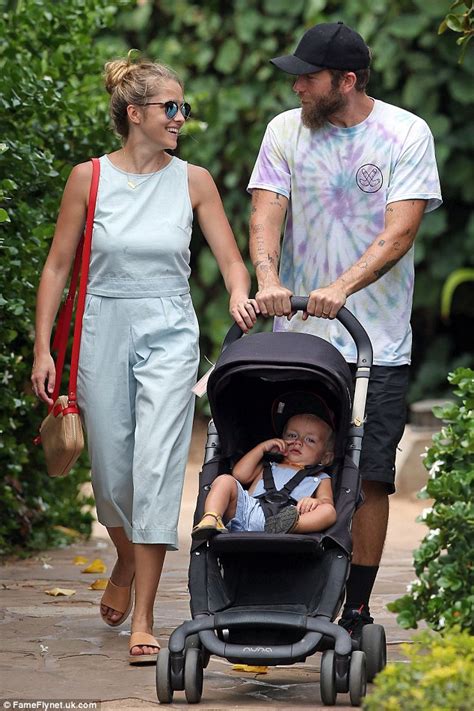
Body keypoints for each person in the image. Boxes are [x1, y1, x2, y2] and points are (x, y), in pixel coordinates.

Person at [31, 54, 258, 663]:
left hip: (169, 329)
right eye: (171, 108)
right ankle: (127, 559)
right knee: (111, 476)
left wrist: (240, 292)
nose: (181, 117)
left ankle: (147, 619)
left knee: (156, 471)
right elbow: (56, 267)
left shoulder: (194, 180)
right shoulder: (88, 178)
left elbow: (232, 261)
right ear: (135, 114)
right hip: (102, 326)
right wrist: (42, 347)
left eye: (182, 107)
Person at [247, 21, 442, 644]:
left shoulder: (405, 133)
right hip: (298, 340)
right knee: (278, 462)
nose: (298, 85)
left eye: (309, 76)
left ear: (347, 81)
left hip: (374, 340)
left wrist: (343, 287)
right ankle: (269, 584)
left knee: (372, 475)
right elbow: (266, 210)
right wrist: (270, 278)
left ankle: (355, 608)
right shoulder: (284, 130)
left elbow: (401, 230)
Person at [192, 399, 336, 539]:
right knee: (225, 480)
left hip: (293, 513)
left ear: (325, 457)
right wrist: (262, 448)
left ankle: (293, 525)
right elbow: (239, 475)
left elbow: (327, 501)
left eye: (310, 440)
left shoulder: (320, 477)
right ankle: (212, 517)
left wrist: (316, 502)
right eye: (292, 435)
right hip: (249, 512)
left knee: (328, 511)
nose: (298, 442)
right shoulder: (267, 465)